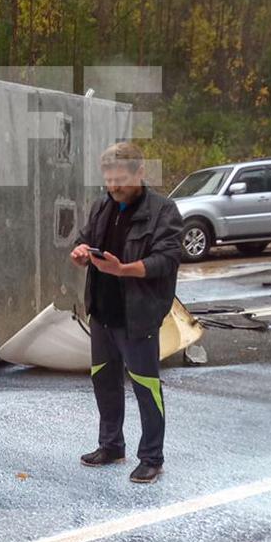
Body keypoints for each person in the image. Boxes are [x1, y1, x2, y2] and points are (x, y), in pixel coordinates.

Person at [70, 141, 181, 484]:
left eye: (120, 179)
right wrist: (81, 251)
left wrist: (124, 270)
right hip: (102, 313)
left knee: (146, 387)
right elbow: (86, 239)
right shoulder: (103, 205)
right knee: (104, 382)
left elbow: (166, 260)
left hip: (139, 316)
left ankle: (152, 457)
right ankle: (111, 445)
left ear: (140, 173)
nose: (114, 186)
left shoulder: (164, 211)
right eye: (109, 180)